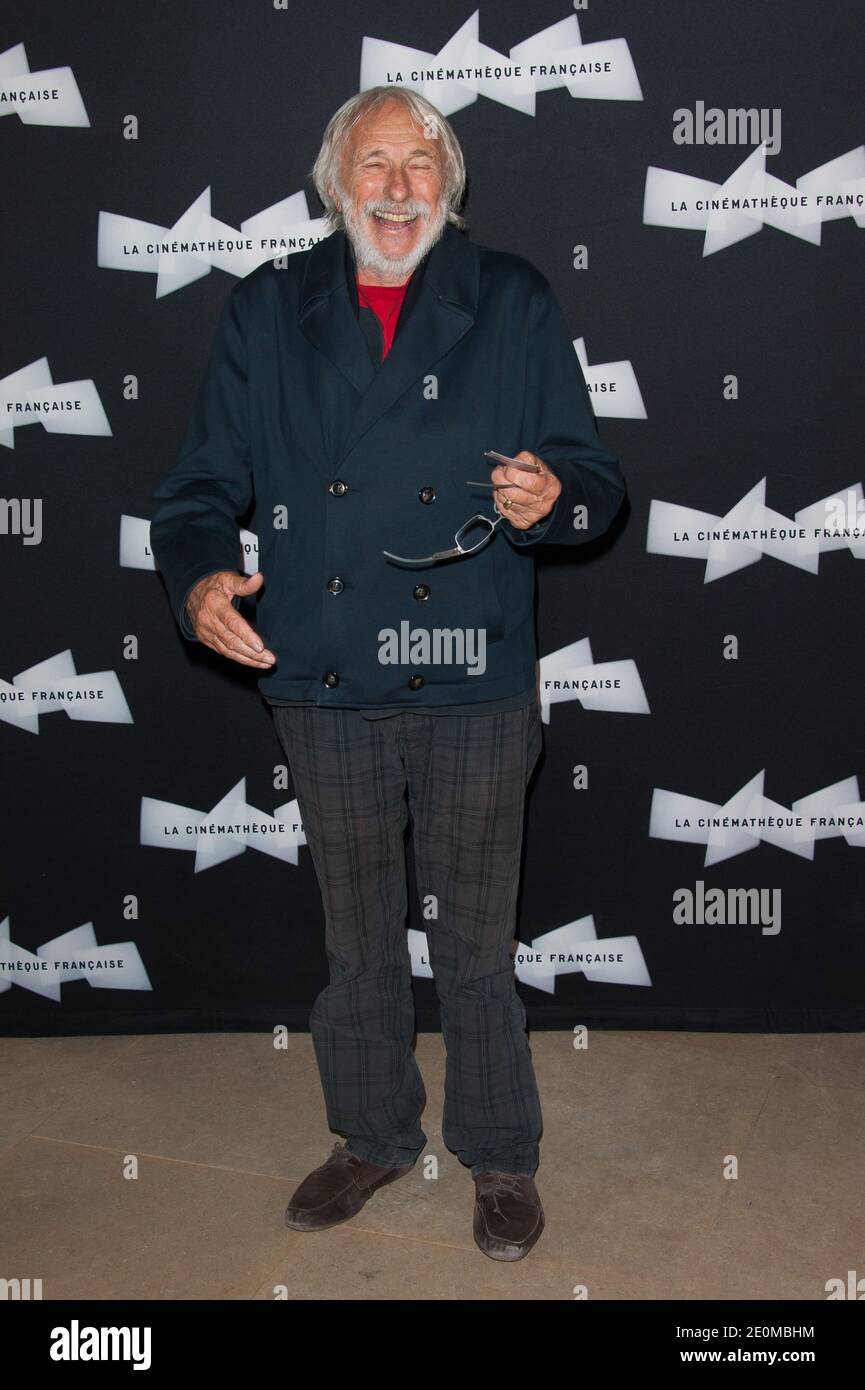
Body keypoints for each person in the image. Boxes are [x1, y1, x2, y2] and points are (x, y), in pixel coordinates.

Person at [150, 85, 625, 1262]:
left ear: (449, 187)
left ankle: (500, 1151)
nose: (400, 186)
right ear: (335, 184)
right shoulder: (267, 309)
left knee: (475, 944)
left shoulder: (509, 298)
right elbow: (200, 487)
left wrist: (555, 496)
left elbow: (592, 475)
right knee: (357, 937)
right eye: (376, 163)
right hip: (322, 672)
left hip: (470, 670)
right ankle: (369, 1132)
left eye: (422, 164)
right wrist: (203, 578)